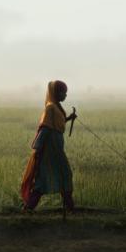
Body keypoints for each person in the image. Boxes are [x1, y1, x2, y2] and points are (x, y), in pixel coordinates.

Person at [20, 80, 78, 213]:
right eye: (63, 92)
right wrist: (38, 148)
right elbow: (45, 128)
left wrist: (69, 118)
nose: (65, 95)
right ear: (55, 93)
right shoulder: (50, 108)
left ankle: (70, 207)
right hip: (49, 151)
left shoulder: (56, 107)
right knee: (46, 179)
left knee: (64, 175)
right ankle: (28, 208)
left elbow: (58, 123)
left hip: (57, 149)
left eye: (66, 92)